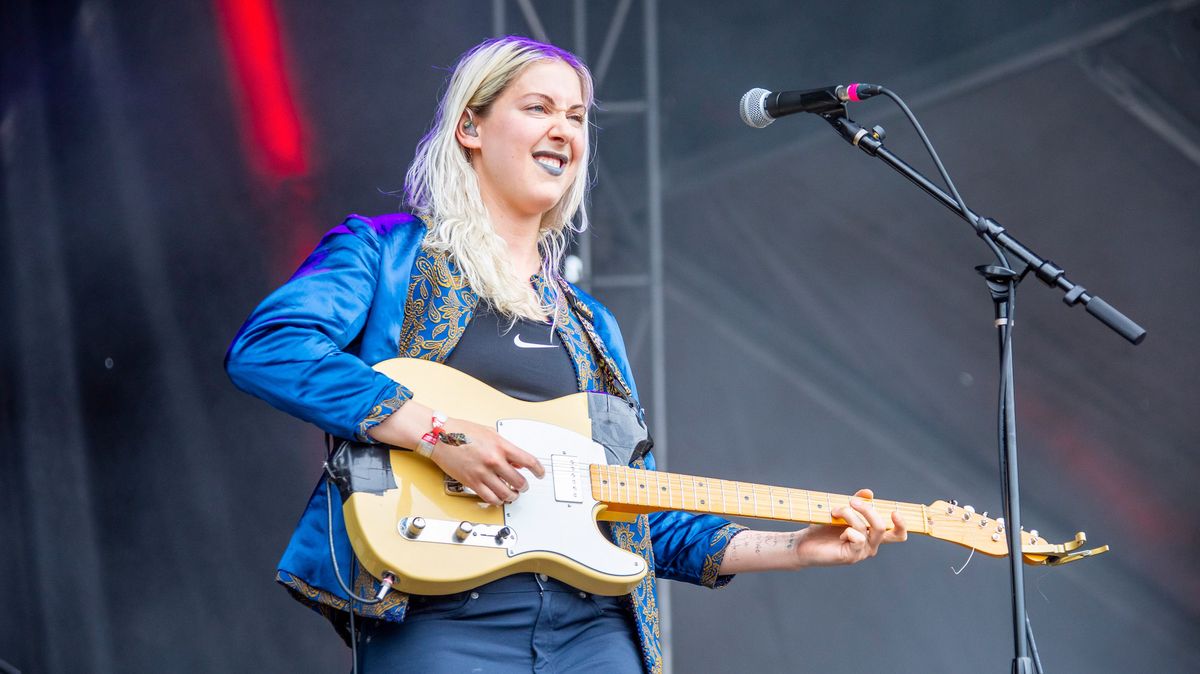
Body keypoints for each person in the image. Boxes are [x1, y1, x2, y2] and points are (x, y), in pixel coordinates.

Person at [225, 36, 906, 673]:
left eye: (577, 117)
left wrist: (796, 548)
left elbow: (642, 517)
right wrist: (436, 433)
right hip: (438, 621)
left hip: (594, 633)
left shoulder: (593, 327)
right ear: (471, 127)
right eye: (538, 108)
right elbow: (269, 347)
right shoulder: (385, 254)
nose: (564, 130)